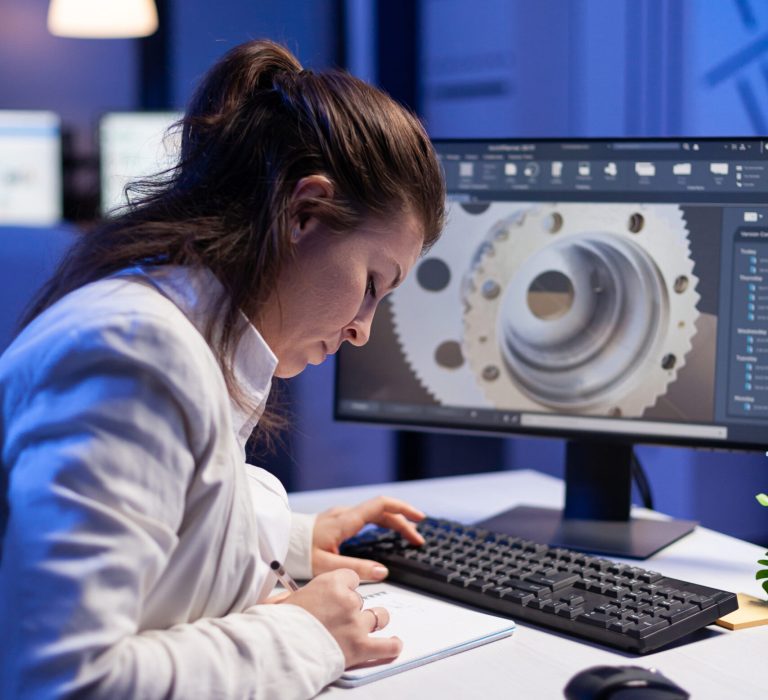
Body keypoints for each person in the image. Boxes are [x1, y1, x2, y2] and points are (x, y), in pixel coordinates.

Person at [0, 39, 445, 698]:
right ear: (304, 212)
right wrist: (309, 635)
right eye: (372, 283)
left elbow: (172, 508)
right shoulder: (136, 353)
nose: (361, 328)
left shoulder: (173, 327)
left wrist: (293, 537)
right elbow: (61, 680)